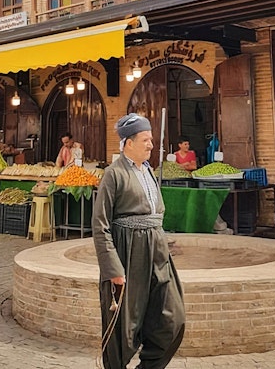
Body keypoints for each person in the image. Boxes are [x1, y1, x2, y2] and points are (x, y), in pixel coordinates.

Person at [92, 113, 185, 369]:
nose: (151, 145)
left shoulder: (149, 171)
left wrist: (162, 242)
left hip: (156, 251)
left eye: (151, 139)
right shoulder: (113, 174)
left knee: (172, 318)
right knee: (123, 327)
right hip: (127, 252)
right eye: (145, 139)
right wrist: (113, 269)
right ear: (127, 143)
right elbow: (100, 226)